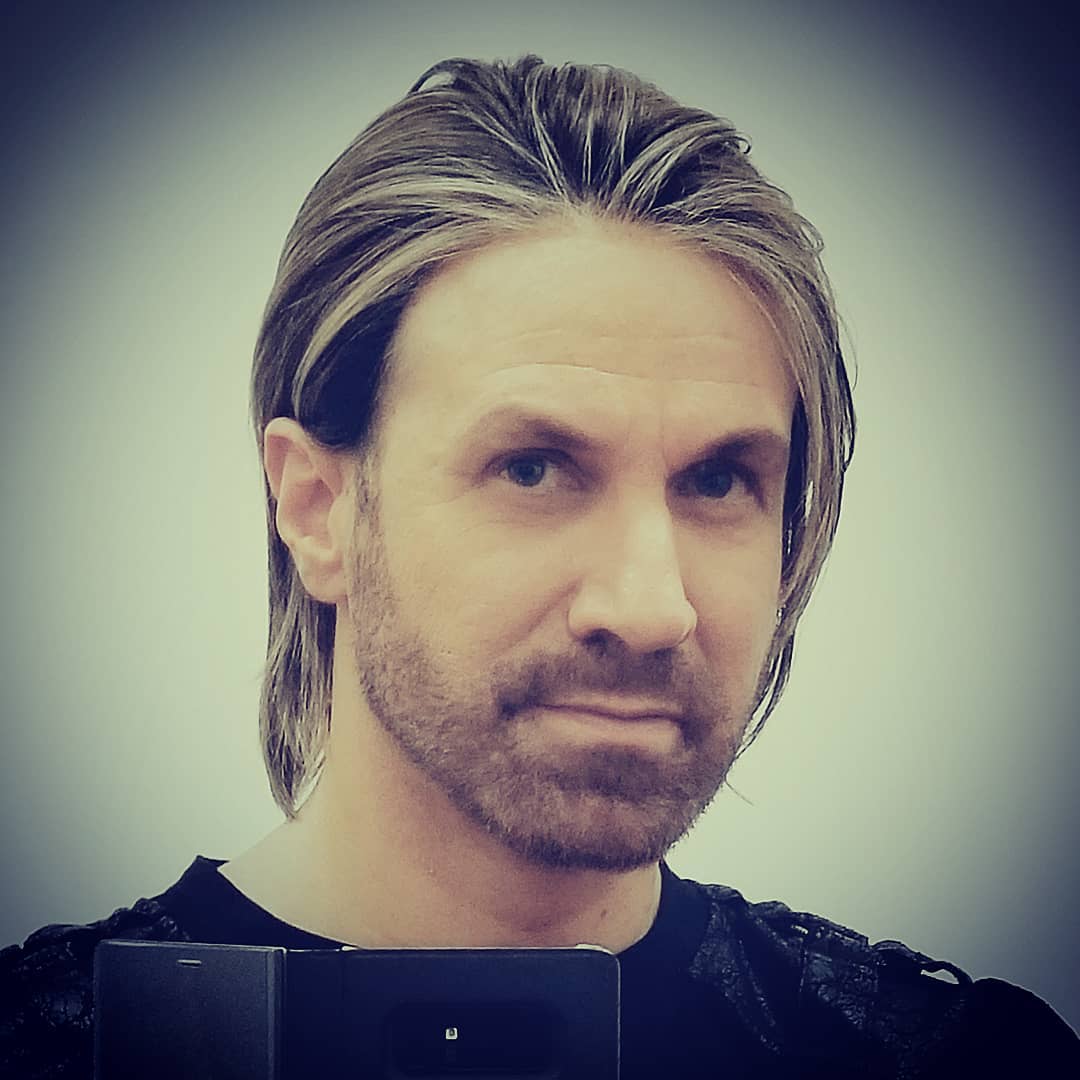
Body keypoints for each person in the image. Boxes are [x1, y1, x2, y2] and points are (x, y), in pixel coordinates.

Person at [1, 54, 1076, 1079]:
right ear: (318, 509)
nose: (649, 606)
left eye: (718, 481)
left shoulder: (961, 1063)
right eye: (532, 468)